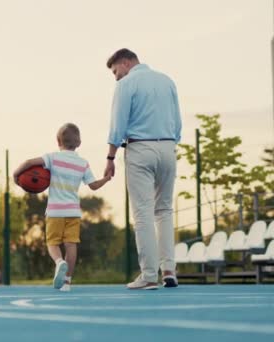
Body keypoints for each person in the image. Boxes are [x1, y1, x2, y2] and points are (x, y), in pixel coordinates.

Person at [103, 48, 182, 290]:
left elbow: (118, 124)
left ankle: (149, 275)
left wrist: (110, 157)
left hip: (140, 148)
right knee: (165, 210)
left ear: (126, 63)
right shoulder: (167, 80)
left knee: (143, 213)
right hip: (169, 147)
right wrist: (169, 144)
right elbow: (178, 122)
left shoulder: (126, 84)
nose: (116, 77)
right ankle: (169, 271)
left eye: (116, 72)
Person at [14, 123, 111, 291]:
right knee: (71, 246)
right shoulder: (83, 163)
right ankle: (67, 282)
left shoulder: (53, 158)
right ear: (79, 142)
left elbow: (29, 162)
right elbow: (93, 186)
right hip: (73, 213)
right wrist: (106, 178)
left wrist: (16, 174)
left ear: (58, 141)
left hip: (55, 211)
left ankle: (59, 262)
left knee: (52, 243)